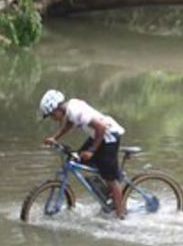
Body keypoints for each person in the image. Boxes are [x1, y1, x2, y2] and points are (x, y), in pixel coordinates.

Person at [39, 89, 127, 218]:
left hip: (109, 136)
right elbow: (69, 124)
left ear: (57, 108)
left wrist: (92, 151)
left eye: (52, 115)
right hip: (97, 135)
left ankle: (120, 215)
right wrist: (55, 138)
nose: (53, 118)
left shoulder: (76, 111)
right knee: (78, 159)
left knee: (110, 178)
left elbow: (101, 127)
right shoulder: (69, 109)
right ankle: (109, 190)